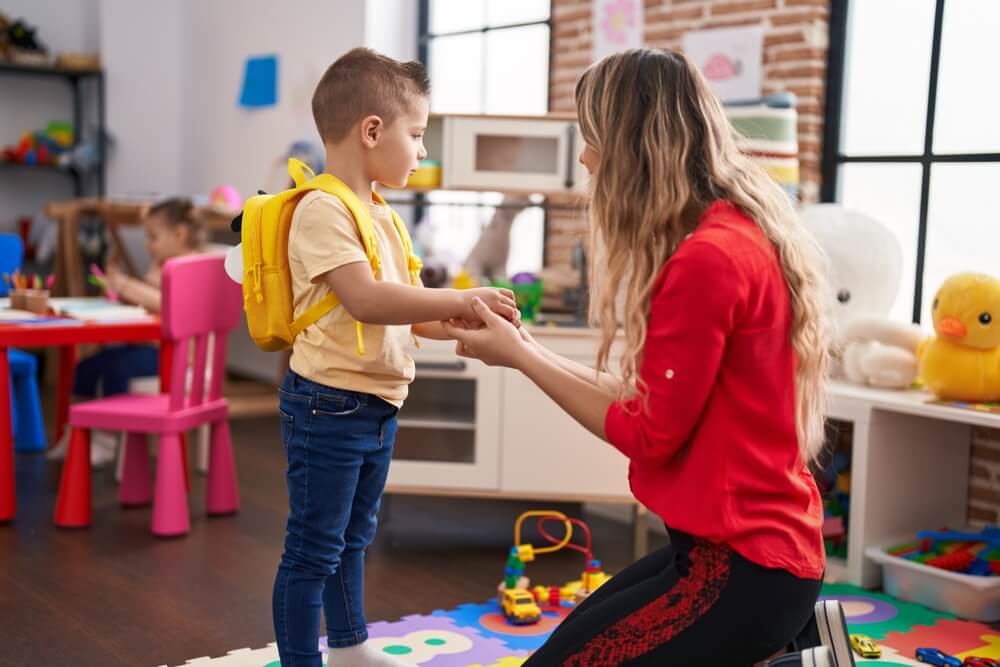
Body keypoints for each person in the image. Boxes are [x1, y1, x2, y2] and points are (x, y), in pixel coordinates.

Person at [443, 47, 849, 666]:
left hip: (742, 568)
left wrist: (523, 359)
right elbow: (651, 401)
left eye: (593, 139)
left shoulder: (707, 260)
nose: (585, 158)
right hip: (737, 555)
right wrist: (522, 346)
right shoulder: (736, 231)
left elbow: (649, 433)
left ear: (633, 146)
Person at [271, 47, 518, 667]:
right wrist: (459, 294)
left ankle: (350, 650)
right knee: (313, 548)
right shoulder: (322, 210)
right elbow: (366, 298)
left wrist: (463, 322)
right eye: (418, 134)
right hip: (327, 403)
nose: (423, 150)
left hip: (374, 404)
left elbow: (404, 309)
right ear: (372, 131)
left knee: (353, 538)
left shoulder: (379, 213)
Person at [48, 198, 203, 466]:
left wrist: (125, 285)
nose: (147, 245)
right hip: (152, 349)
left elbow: (168, 303)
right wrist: (120, 292)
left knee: (117, 368)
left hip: (179, 360)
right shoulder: (161, 266)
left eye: (153, 237)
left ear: (179, 234)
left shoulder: (192, 266)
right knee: (86, 366)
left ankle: (106, 442)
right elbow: (150, 304)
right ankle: (74, 435)